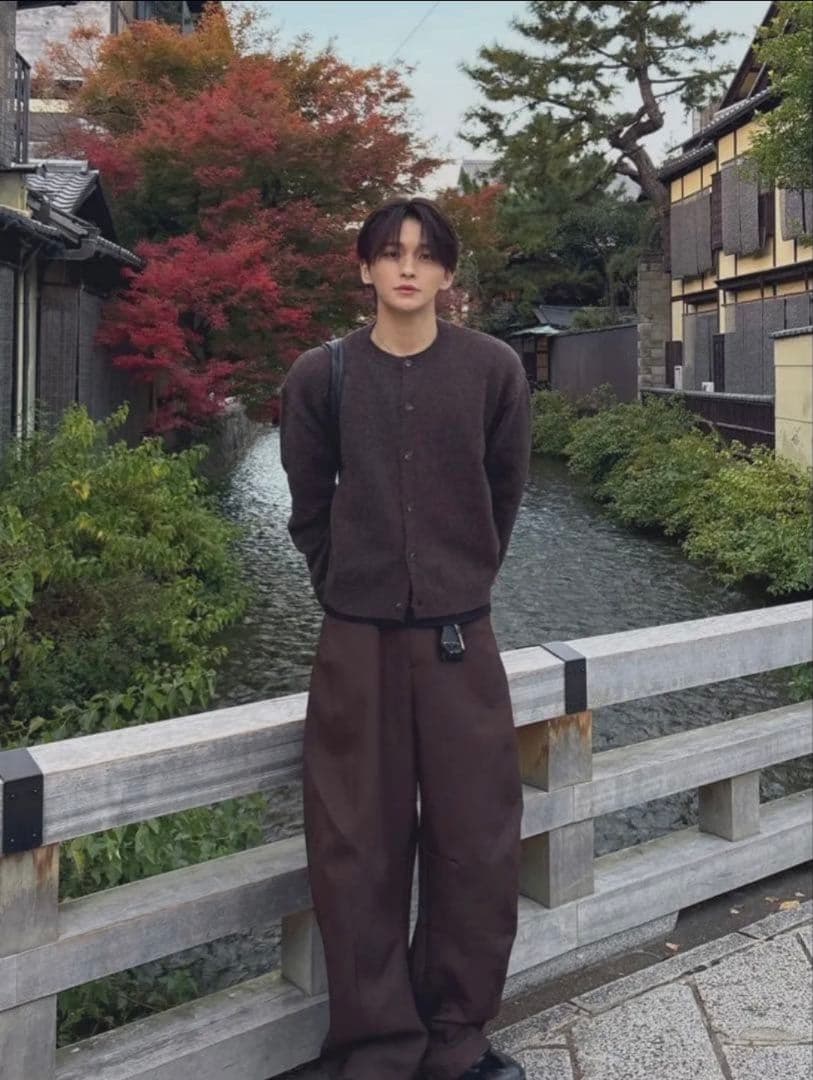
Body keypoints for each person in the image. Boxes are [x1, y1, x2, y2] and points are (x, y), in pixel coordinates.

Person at [280, 196, 531, 1080]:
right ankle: (377, 1046)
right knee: (355, 844)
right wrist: (348, 588)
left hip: (462, 639)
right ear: (365, 267)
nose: (408, 268)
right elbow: (307, 506)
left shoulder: (493, 369)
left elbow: (504, 492)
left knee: (477, 839)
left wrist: (462, 580)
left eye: (425, 254)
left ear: (447, 272)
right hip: (356, 645)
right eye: (391, 252)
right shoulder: (321, 375)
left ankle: (455, 1038)